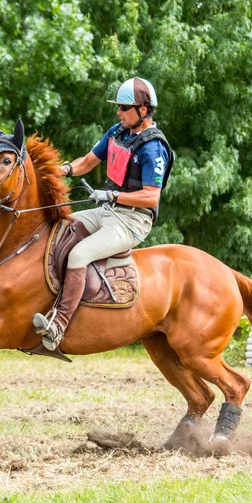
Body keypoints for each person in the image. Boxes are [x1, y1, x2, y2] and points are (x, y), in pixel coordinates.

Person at [33, 77, 174, 350]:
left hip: (132, 220)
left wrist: (112, 195)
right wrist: (61, 170)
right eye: (118, 107)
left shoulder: (154, 148)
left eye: (123, 107)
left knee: (79, 254)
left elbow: (151, 197)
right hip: (107, 210)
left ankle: (59, 325)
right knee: (59, 228)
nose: (118, 112)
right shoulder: (118, 131)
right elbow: (87, 161)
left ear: (143, 110)